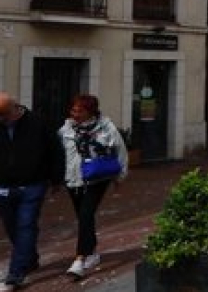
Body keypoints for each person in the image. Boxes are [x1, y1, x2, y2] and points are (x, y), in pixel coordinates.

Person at [0, 92, 64, 289]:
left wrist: (56, 180)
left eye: (3, 114)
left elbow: (55, 151)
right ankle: (30, 257)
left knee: (25, 225)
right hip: (3, 186)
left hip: (33, 184)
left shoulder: (38, 123)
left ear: (14, 108)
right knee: (12, 228)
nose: (0, 119)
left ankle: (16, 272)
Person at [58, 94, 127, 280]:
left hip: (97, 179)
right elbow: (60, 154)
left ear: (91, 112)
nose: (75, 114)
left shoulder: (106, 128)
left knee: (86, 214)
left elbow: (120, 151)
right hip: (73, 180)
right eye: (73, 110)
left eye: (80, 111)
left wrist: (120, 176)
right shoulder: (66, 129)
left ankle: (79, 259)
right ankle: (92, 252)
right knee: (83, 217)